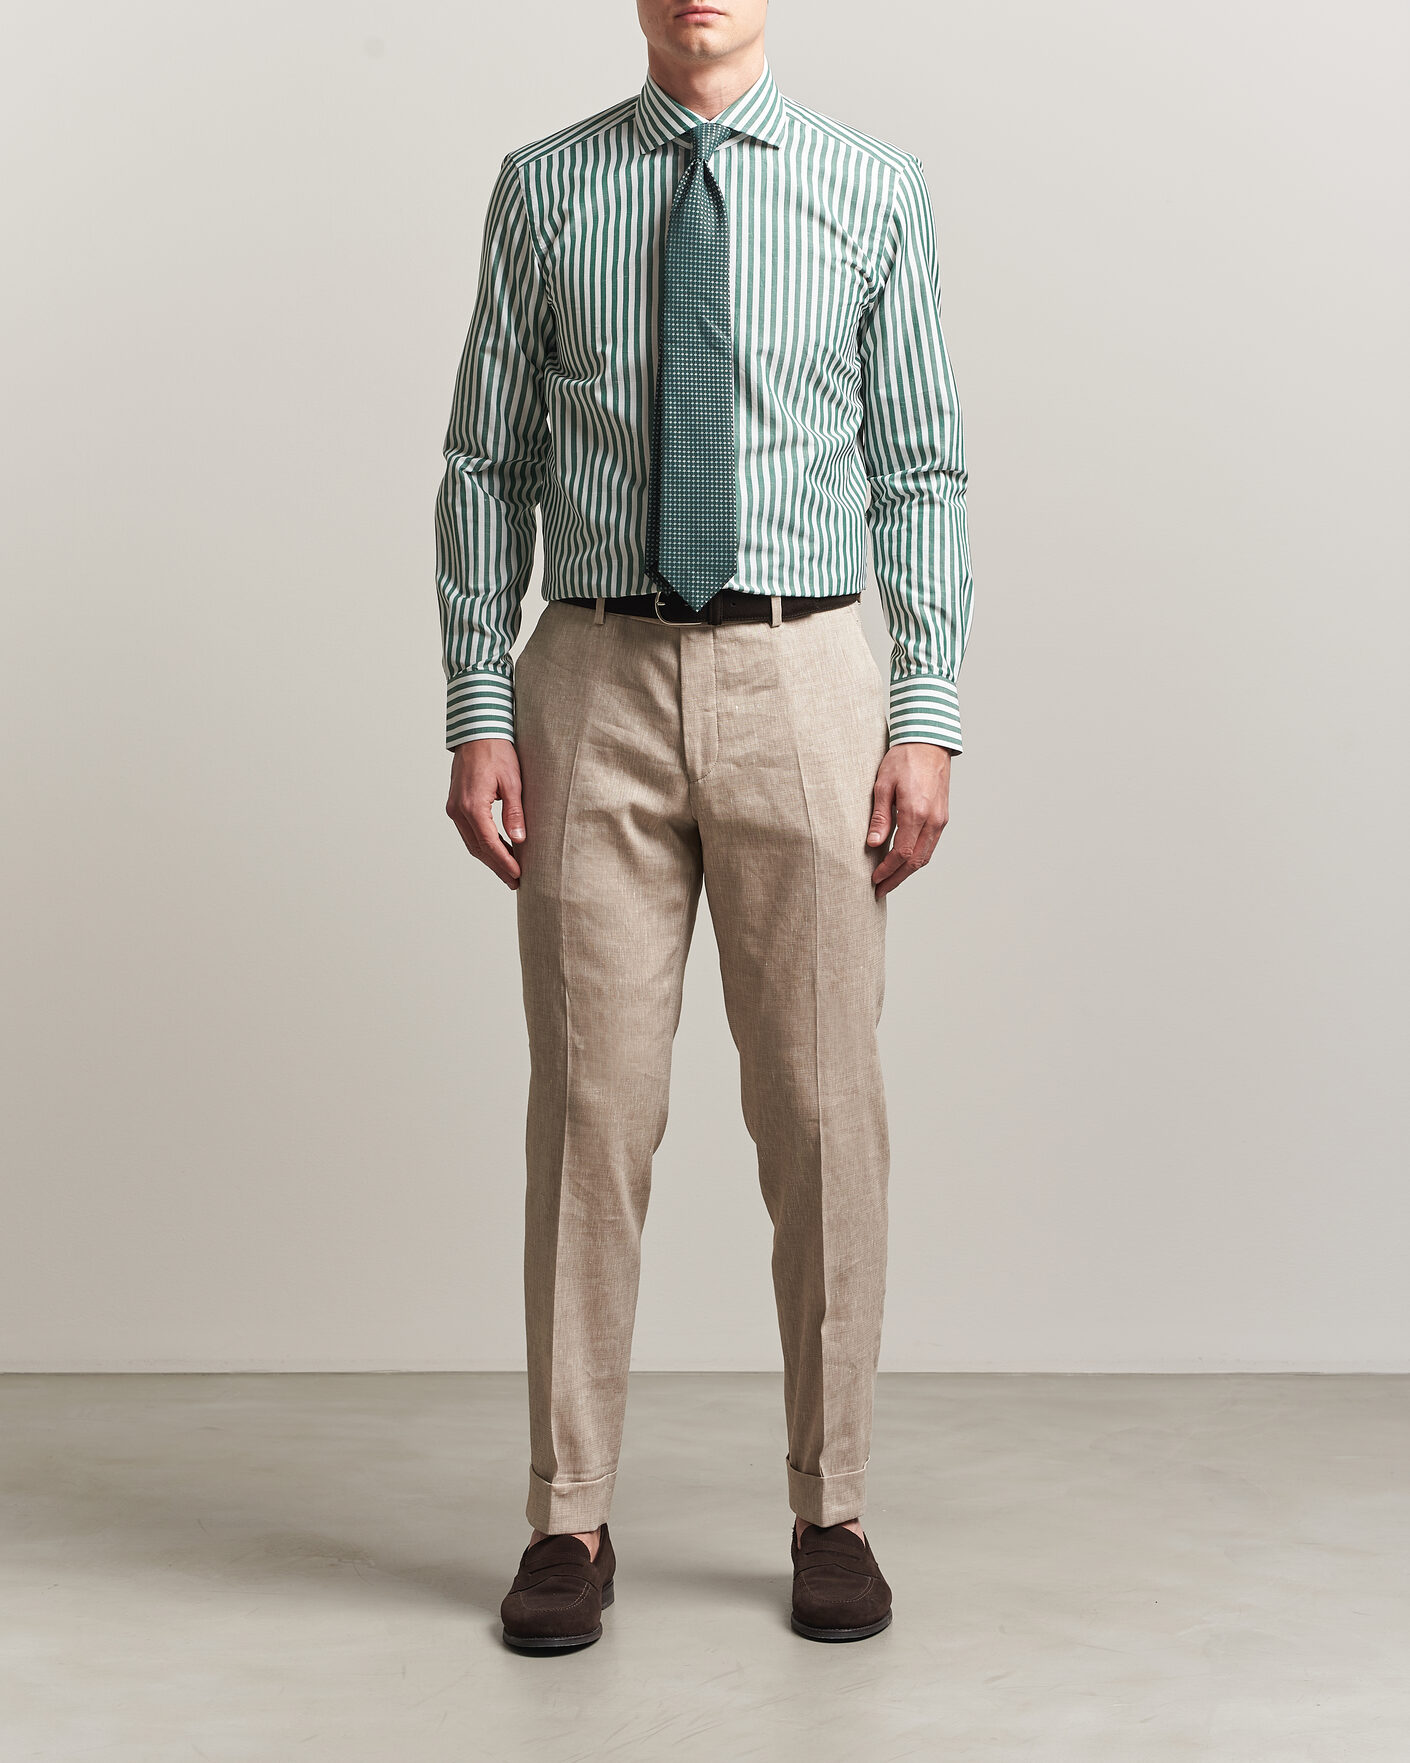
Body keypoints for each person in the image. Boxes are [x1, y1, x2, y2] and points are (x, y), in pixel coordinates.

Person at [435, 0, 973, 1652]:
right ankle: (567, 1520)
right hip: (590, 678)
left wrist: (923, 711)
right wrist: (476, 703)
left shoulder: (871, 188)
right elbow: (483, 461)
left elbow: (921, 469)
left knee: (819, 1111)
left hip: (803, 677)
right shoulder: (546, 188)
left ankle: (833, 1506)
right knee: (591, 1115)